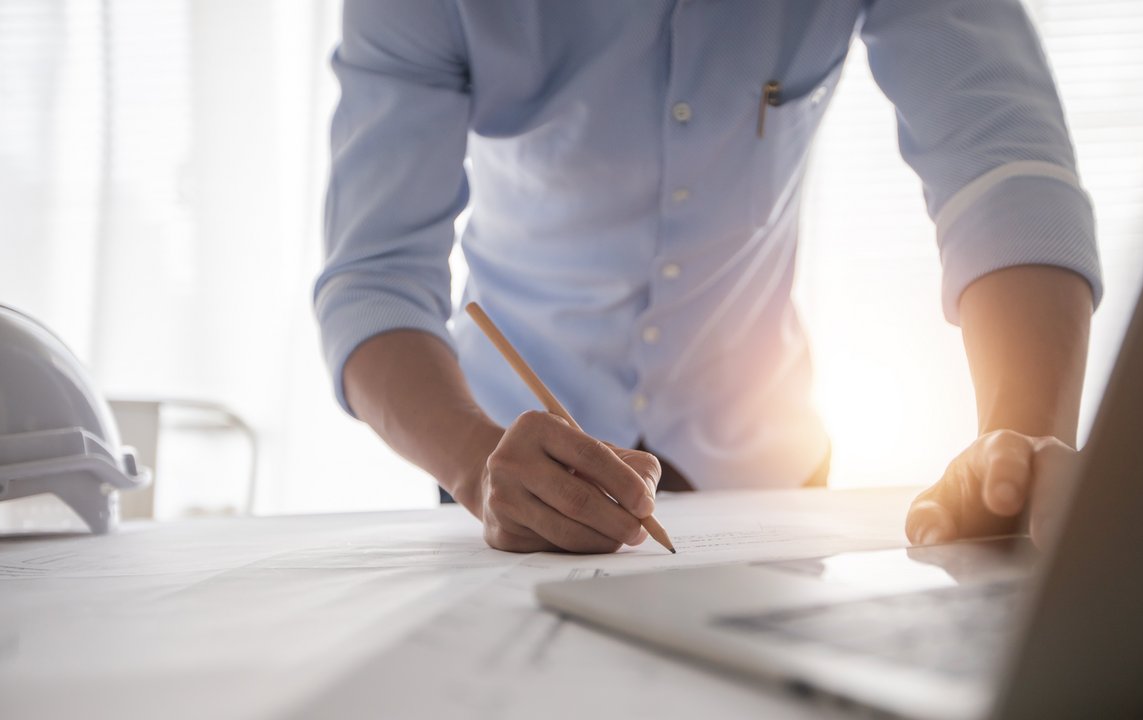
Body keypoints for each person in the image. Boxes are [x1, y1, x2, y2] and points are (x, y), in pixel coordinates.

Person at [315, 1, 1101, 554]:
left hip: (770, 463)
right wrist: (477, 465)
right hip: (503, 466)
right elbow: (375, 276)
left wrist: (1023, 437)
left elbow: (1004, 169)